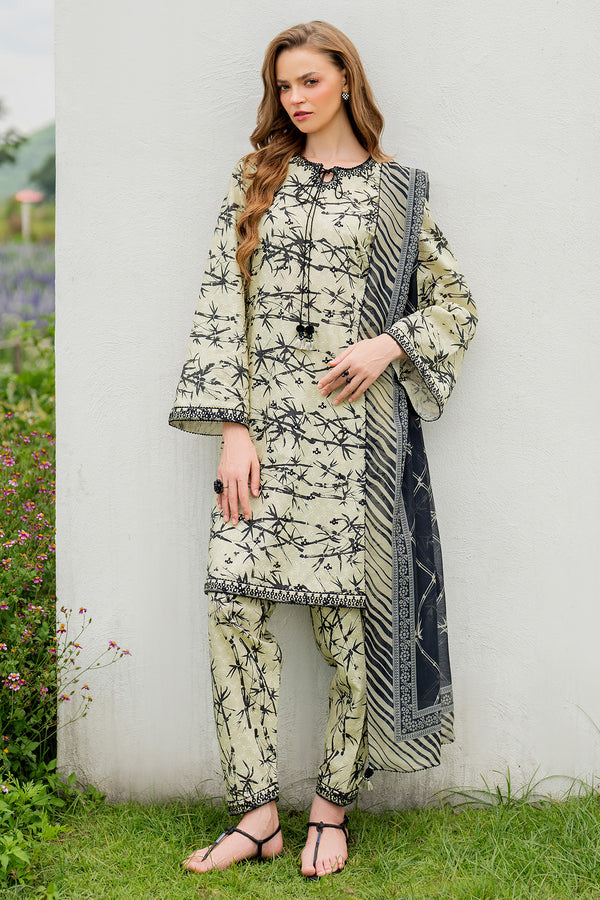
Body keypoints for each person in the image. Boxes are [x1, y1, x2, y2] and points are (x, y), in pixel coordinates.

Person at [169, 20, 477, 879]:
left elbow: (456, 303)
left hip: (356, 449)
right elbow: (220, 300)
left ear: (346, 79)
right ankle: (256, 815)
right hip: (263, 440)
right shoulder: (255, 179)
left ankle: (332, 811)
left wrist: (390, 343)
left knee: (351, 632)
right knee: (234, 611)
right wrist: (233, 431)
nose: (295, 98)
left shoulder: (397, 192)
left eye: (309, 80)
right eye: (283, 86)